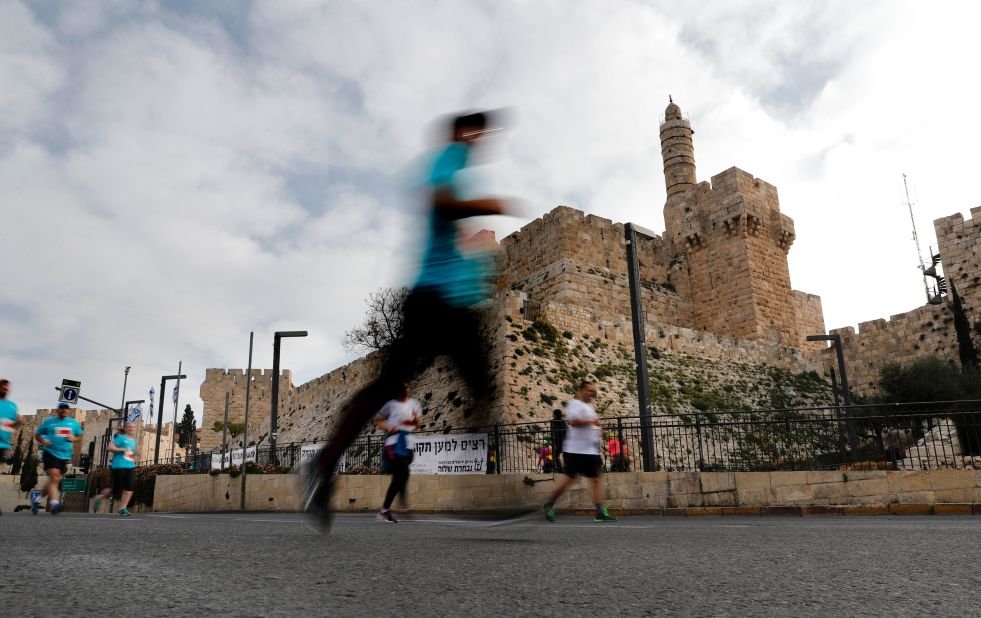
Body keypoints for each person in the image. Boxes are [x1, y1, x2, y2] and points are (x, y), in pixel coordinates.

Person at [305, 111, 510, 529]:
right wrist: (486, 206)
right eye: (478, 130)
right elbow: (438, 200)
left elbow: (445, 224)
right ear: (462, 131)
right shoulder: (449, 158)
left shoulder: (456, 167)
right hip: (434, 301)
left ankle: (487, 493)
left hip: (445, 302)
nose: (481, 138)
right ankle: (323, 466)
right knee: (403, 387)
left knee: (476, 384)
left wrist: (471, 245)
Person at [542, 381, 617, 523]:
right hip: (575, 449)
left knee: (596, 479)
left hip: (590, 450)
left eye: (593, 391)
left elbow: (593, 423)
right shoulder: (574, 404)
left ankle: (600, 511)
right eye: (589, 390)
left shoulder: (589, 407)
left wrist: (597, 429)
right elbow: (573, 422)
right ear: (581, 390)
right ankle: (549, 503)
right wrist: (591, 422)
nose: (592, 393)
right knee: (570, 478)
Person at [374, 383, 421, 523]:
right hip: (394, 444)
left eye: (407, 387)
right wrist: (389, 427)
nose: (405, 389)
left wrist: (415, 420)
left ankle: (386, 510)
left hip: (408, 443)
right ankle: (400, 506)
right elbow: (377, 421)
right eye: (402, 387)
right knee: (403, 473)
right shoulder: (390, 404)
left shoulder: (414, 403)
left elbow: (417, 424)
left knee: (399, 478)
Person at [33, 402, 83, 515]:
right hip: (50, 452)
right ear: (57, 410)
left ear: (69, 411)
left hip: (65, 455)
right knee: (54, 477)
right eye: (61, 408)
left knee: (53, 480)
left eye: (66, 409)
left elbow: (80, 436)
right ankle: (55, 503)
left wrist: (74, 438)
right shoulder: (49, 422)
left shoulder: (73, 423)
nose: (64, 410)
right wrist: (44, 441)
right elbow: (37, 435)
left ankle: (37, 498)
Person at [94, 422, 138, 516]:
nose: (132, 429)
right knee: (116, 489)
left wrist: (133, 457)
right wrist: (122, 450)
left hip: (130, 466)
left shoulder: (133, 441)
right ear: (126, 428)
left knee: (130, 487)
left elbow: (130, 453)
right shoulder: (121, 438)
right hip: (118, 466)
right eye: (129, 427)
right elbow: (109, 448)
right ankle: (100, 497)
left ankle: (123, 508)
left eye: (133, 427)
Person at [0, 379, 20, 475]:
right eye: (2, 387)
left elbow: (9, 426)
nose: (5, 389)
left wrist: (18, 422)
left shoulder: (12, 406)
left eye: (6, 387)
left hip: (4, 446)